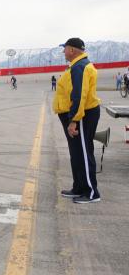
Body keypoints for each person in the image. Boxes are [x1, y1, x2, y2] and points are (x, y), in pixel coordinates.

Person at [53, 37, 101, 204]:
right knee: (77, 154)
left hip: (82, 115)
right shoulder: (77, 66)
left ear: (72, 50)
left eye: (64, 48)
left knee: (83, 152)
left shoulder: (80, 67)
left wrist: (73, 120)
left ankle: (91, 192)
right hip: (78, 114)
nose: (63, 52)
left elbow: (79, 95)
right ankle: (79, 187)